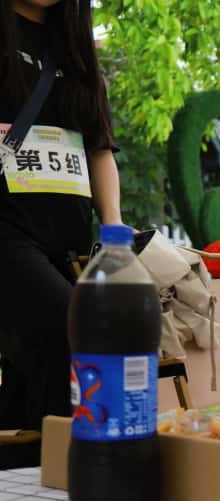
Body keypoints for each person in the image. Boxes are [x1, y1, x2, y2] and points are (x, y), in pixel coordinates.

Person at [1, 0, 123, 467]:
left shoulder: (75, 53)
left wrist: (113, 225)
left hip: (66, 246)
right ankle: (69, 472)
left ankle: (24, 477)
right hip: (7, 233)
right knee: (72, 328)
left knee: (30, 378)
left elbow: (100, 149)